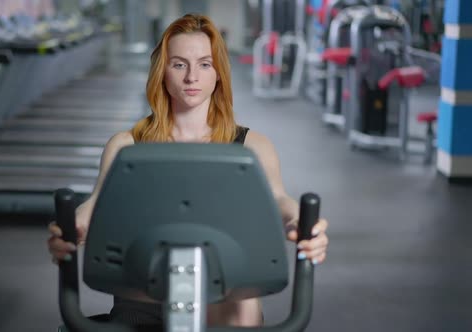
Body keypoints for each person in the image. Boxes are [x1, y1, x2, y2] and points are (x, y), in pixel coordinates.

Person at [48, 13, 329, 328]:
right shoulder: (127, 145)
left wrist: (304, 223)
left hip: (223, 301)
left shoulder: (252, 145)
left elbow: (279, 199)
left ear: (219, 73)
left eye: (205, 64)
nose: (192, 77)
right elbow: (94, 205)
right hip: (142, 295)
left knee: (241, 301)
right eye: (179, 64)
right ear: (162, 72)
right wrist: (73, 228)